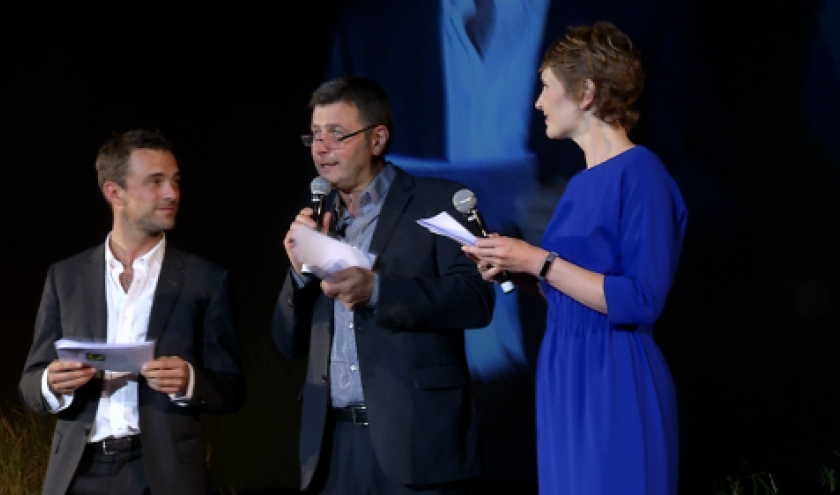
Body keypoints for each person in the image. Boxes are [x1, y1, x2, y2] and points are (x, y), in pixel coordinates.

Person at [463, 22, 687, 495]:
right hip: (564, 372)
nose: (539, 102)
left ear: (584, 92)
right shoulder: (580, 184)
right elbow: (574, 293)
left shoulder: (641, 172)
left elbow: (640, 299)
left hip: (614, 376)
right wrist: (519, 270)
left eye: (546, 87)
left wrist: (539, 260)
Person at [273, 76, 495, 494]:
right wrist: (299, 273)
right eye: (315, 135)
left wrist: (377, 291)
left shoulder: (440, 202)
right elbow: (288, 343)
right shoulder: (319, 221)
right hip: (331, 447)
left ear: (377, 140)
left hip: (416, 439)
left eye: (336, 135)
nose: (321, 148)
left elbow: (476, 299)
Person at [19, 130, 245, 495]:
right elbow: (30, 383)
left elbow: (232, 390)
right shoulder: (66, 277)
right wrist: (50, 383)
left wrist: (189, 380)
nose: (172, 193)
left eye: (174, 181)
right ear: (114, 193)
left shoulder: (206, 280)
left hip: (162, 472)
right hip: (79, 470)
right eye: (155, 182)